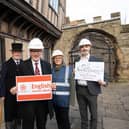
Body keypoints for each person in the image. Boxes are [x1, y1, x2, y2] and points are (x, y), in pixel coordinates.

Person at [15, 38, 53, 129]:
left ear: (41, 51)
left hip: (43, 103)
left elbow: (49, 81)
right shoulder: (22, 65)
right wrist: (15, 88)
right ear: (29, 51)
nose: (36, 53)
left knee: (42, 125)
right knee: (28, 126)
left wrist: (52, 85)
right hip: (28, 104)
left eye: (38, 51)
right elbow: (18, 83)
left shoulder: (47, 65)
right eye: (33, 51)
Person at [75, 38, 107, 129]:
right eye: (82, 47)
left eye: (86, 46)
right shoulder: (77, 60)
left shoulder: (97, 60)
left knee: (94, 114)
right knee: (83, 113)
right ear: (79, 48)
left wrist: (104, 82)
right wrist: (74, 73)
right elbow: (75, 75)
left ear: (90, 47)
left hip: (92, 91)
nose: (84, 48)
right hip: (80, 90)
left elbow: (104, 75)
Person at [0, 43, 23, 129]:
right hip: (9, 96)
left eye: (19, 52)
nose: (17, 53)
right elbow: (2, 80)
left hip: (21, 95)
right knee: (9, 118)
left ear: (21, 53)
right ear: (12, 53)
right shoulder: (6, 64)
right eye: (15, 52)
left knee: (19, 117)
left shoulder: (24, 64)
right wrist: (2, 94)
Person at [51, 50, 74, 129]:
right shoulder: (51, 70)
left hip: (64, 101)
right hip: (54, 100)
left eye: (59, 58)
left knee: (65, 120)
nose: (57, 59)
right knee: (58, 120)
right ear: (53, 60)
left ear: (62, 59)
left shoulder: (68, 69)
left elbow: (72, 86)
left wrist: (72, 101)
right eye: (56, 58)